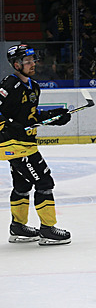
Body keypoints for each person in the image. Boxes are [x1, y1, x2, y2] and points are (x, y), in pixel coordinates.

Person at [1, 44, 72, 245]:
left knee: (22, 184)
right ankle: (48, 229)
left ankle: (18, 227)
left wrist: (54, 116)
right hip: (14, 145)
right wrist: (9, 126)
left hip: (26, 143)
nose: (33, 64)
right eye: (27, 61)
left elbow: (30, 116)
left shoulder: (33, 86)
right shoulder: (9, 85)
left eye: (33, 60)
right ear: (16, 64)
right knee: (44, 182)